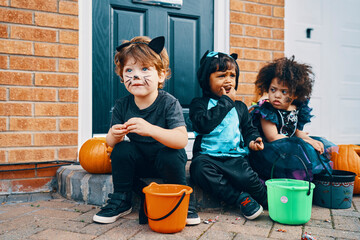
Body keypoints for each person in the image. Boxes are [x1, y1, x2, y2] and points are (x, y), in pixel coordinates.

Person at [93, 36, 200, 226]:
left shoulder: (168, 103)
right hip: (139, 162)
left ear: (160, 75)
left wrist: (151, 129)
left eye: (144, 69)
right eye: (129, 70)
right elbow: (109, 143)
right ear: (122, 77)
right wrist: (114, 135)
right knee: (121, 150)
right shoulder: (122, 105)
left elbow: (182, 139)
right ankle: (121, 199)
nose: (136, 76)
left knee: (172, 154)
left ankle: (182, 200)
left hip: (165, 161)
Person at [189, 51, 267, 220]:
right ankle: (240, 198)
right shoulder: (199, 104)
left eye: (232, 75)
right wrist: (226, 102)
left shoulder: (240, 107)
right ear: (206, 80)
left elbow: (248, 129)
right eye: (221, 75)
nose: (228, 80)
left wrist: (253, 140)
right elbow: (203, 124)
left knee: (247, 177)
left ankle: (269, 200)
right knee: (198, 169)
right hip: (207, 157)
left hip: (235, 157)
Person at [250, 56, 337, 181]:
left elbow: (295, 130)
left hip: (290, 147)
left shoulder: (296, 108)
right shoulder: (267, 111)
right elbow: (273, 137)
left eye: (284, 92)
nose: (277, 95)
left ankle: (302, 184)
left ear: (295, 94)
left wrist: (309, 139)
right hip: (271, 151)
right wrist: (303, 142)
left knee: (309, 148)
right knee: (300, 149)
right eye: (273, 90)